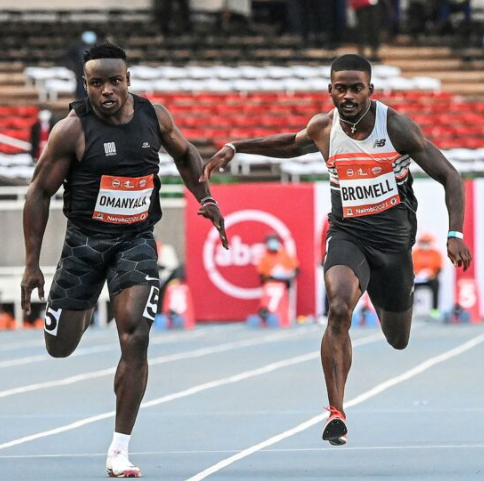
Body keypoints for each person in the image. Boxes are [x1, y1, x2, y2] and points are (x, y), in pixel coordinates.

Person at [201, 54, 472, 446]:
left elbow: (450, 175)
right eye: (340, 88)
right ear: (330, 90)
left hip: (393, 245)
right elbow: (289, 144)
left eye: (356, 88)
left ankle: (384, 294)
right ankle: (336, 412)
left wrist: (455, 232)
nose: (348, 96)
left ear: (370, 90)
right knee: (340, 307)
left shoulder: (396, 128)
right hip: (348, 234)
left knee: (398, 338)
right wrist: (235, 146)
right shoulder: (324, 127)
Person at [21, 42, 228, 478]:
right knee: (59, 348)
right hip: (85, 244)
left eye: (115, 81)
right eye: (97, 83)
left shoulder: (154, 117)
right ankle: (73, 311)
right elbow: (38, 192)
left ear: (128, 79)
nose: (107, 91)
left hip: (135, 240)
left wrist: (206, 197)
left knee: (136, 336)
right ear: (85, 85)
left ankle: (119, 450)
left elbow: (187, 154)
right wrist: (32, 264)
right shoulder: (71, 130)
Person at [412, 232, 443, 316]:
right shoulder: (415, 253)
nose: (425, 244)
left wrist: (433, 275)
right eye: (424, 242)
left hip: (430, 279)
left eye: (427, 242)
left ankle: (435, 310)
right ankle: (411, 309)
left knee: (436, 283)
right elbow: (410, 267)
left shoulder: (436, 253)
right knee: (409, 286)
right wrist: (416, 274)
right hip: (417, 279)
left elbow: (439, 268)